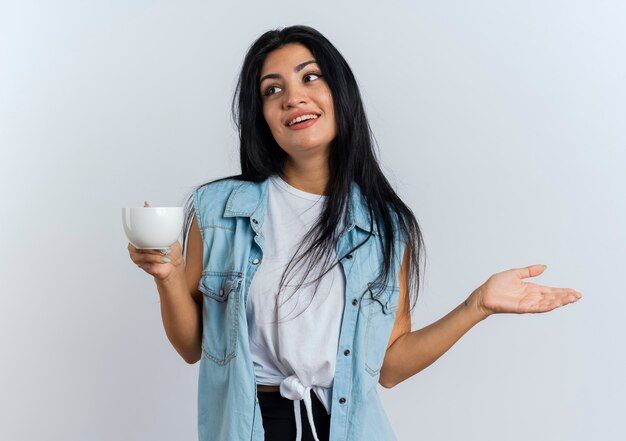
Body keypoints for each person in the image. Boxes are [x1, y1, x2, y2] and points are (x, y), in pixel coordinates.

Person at [127, 25, 582, 441]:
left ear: (339, 93)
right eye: (273, 89)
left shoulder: (386, 226)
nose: (293, 97)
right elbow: (193, 347)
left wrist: (476, 305)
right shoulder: (219, 209)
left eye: (310, 77)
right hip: (250, 425)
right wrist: (168, 275)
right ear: (261, 114)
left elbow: (389, 366)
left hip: (349, 427)